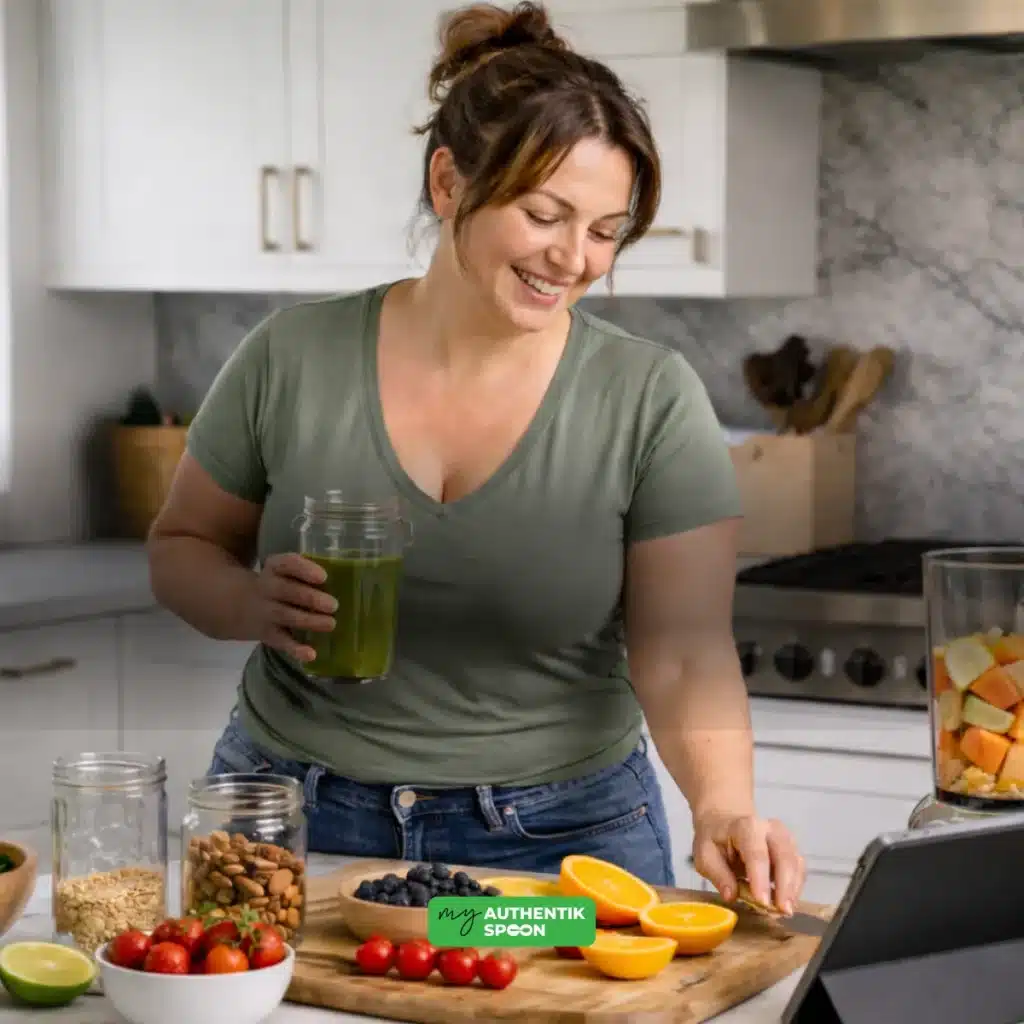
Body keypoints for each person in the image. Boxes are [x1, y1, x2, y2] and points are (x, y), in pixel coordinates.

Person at [147, 0, 806, 915]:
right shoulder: (290, 355)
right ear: (450, 182)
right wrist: (244, 601)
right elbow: (182, 545)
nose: (575, 258)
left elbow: (686, 649)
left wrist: (726, 806)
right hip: (288, 822)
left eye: (607, 231)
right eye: (546, 214)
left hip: (560, 842)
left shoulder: (648, 396)